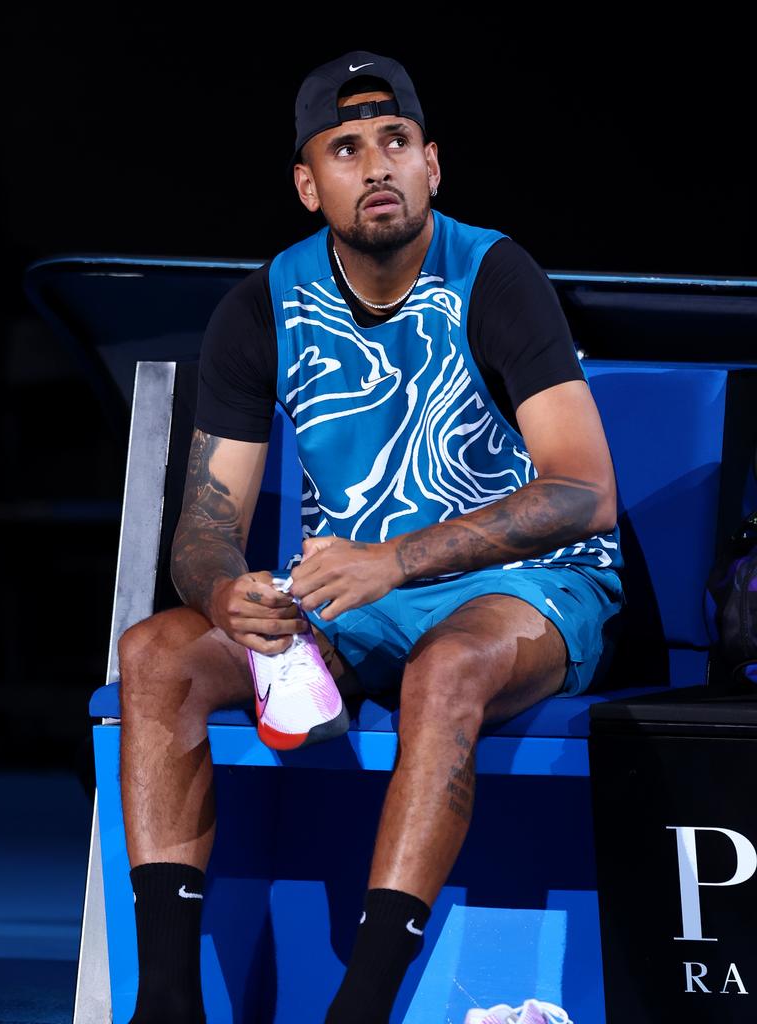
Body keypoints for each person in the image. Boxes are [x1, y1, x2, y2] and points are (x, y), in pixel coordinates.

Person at [117, 49, 624, 1024]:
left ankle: (363, 1006)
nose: (377, 164)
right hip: (352, 598)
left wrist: (392, 559)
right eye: (346, 148)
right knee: (156, 655)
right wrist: (228, 593)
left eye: (397, 141)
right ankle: (167, 1002)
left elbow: (584, 492)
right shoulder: (262, 304)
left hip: (530, 585)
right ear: (310, 186)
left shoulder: (493, 274)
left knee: (448, 670)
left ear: (435, 163)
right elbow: (206, 525)